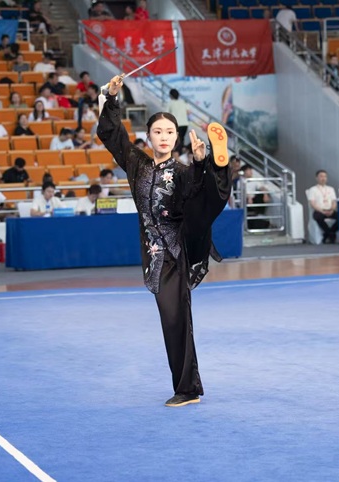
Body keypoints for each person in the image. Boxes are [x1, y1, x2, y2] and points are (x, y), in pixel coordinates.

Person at [97, 74, 231, 407]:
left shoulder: (183, 171)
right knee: (170, 318)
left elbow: (197, 194)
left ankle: (188, 389)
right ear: (148, 136)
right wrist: (111, 97)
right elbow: (112, 135)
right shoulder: (136, 163)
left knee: (176, 318)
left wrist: (199, 164)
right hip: (153, 252)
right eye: (158, 131)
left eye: (170, 132)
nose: (164, 136)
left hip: (178, 250)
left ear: (177, 136)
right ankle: (187, 386)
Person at [307, 170, 338, 243]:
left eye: (325, 176)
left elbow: (334, 201)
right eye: (321, 176)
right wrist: (322, 211)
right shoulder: (313, 189)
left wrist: (332, 210)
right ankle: (330, 234)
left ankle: (328, 233)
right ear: (316, 178)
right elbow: (312, 203)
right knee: (318, 217)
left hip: (330, 210)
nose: (323, 178)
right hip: (319, 210)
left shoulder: (331, 189)